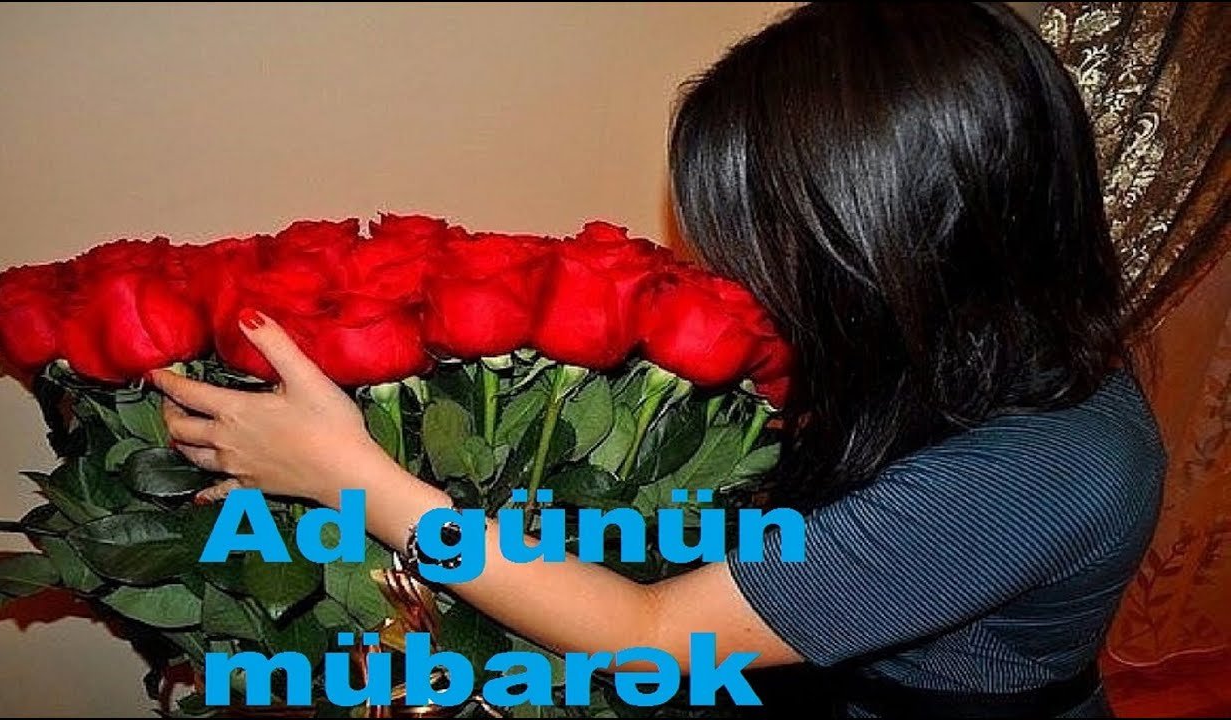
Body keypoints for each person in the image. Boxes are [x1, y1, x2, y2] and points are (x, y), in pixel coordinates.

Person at [150, 3, 1166, 717]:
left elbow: (654, 638)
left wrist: (356, 481)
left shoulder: (1043, 470)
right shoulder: (957, 346)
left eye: (771, 241)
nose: (739, 273)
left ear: (896, 240)